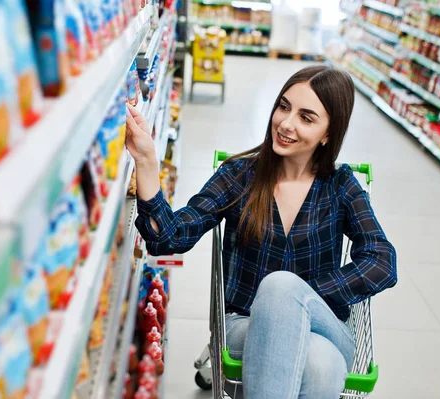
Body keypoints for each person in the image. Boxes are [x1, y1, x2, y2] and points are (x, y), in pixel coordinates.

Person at [125, 65, 397, 399]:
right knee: (320, 362)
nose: (286, 123)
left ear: (328, 133)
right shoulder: (240, 175)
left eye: (306, 118)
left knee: (283, 289)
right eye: (284, 107)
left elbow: (382, 261)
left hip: (327, 323)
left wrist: (297, 298)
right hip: (245, 322)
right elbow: (167, 238)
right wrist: (147, 161)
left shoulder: (341, 187)